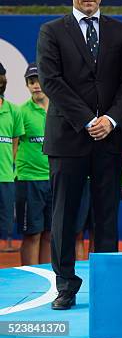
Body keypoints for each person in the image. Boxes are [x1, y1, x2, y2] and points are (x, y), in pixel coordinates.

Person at [37, 0, 122, 310]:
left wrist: (109, 119)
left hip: (109, 138)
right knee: (64, 215)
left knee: (107, 214)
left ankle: (107, 285)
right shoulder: (52, 31)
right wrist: (86, 120)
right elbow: (51, 82)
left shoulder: (120, 31)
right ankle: (66, 284)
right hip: (68, 137)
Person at [15, 63, 51, 265]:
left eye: (38, 80)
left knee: (50, 233)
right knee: (32, 235)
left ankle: (46, 277)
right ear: (27, 86)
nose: (36, 85)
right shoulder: (21, 112)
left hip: (53, 180)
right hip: (29, 181)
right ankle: (30, 279)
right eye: (31, 82)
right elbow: (14, 145)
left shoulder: (58, 110)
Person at [0, 62, 24, 252]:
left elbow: (15, 142)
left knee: (6, 220)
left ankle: (7, 242)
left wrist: (10, 165)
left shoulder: (14, 110)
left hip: (6, 175)